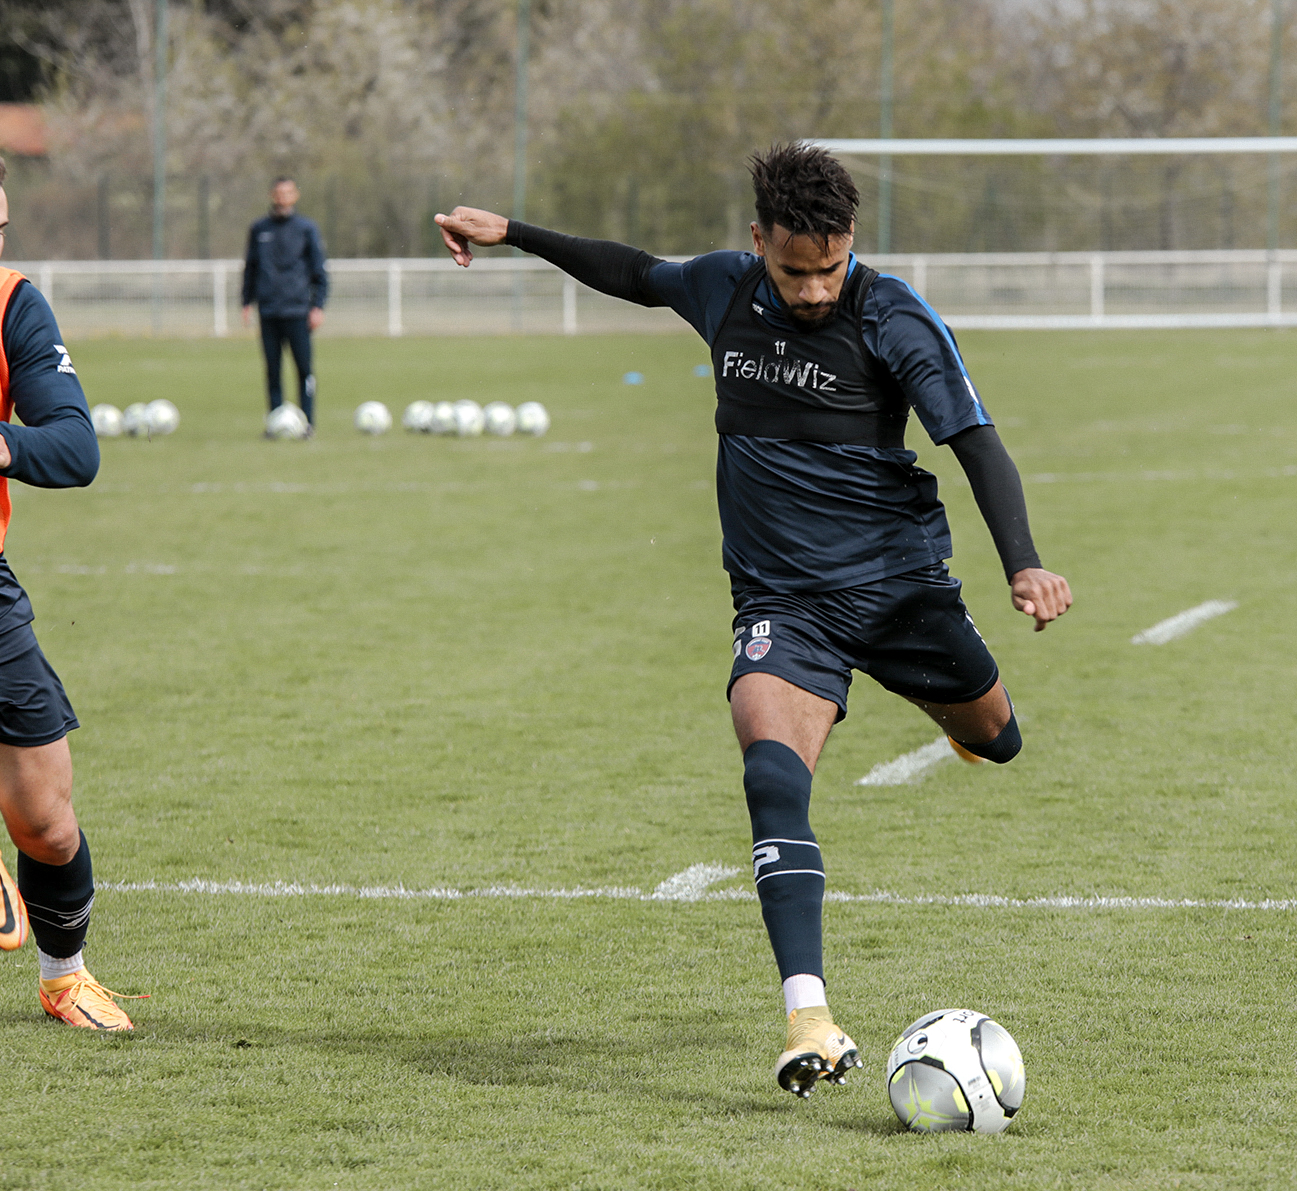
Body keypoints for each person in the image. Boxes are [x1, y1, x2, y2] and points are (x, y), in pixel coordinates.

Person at [434, 143, 1072, 1098]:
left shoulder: (892, 314)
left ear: (852, 242)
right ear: (757, 240)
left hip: (900, 591)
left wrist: (1023, 564)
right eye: (794, 268)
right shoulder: (725, 291)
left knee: (1000, 738)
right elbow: (633, 272)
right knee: (771, 776)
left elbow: (977, 442)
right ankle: (808, 1017)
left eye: (830, 266)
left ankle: (958, 718)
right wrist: (514, 233)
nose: (814, 289)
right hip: (782, 604)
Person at [0, 139, 138, 1029]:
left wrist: (4, 442)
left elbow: (79, 446)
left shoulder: (14, 307)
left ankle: (65, 978)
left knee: (51, 825)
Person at [242, 176, 328, 435]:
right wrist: (246, 301)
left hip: (298, 311)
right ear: (272, 195)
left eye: (288, 192)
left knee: (303, 370)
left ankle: (308, 423)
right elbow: (251, 268)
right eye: (279, 192)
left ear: (295, 195)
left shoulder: (306, 228)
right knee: (272, 371)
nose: (283, 196)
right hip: (268, 310)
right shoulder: (259, 229)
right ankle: (275, 422)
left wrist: (318, 306)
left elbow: (319, 271)